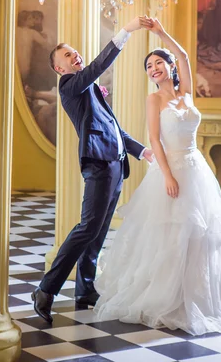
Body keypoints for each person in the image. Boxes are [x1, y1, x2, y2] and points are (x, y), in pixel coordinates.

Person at [95, 16, 221, 335]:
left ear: (169, 67)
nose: (154, 69)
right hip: (171, 170)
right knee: (169, 235)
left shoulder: (186, 92)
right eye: (149, 66)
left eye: (158, 62)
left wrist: (162, 33)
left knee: (200, 236)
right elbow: (153, 139)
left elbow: (185, 57)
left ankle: (197, 294)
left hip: (196, 170)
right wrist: (166, 175)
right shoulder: (154, 99)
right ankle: (167, 295)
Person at [31, 16, 153, 324]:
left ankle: (85, 289)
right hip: (98, 165)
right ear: (60, 69)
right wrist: (126, 31)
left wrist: (141, 151)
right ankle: (45, 290)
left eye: (74, 52)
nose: (75, 56)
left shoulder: (90, 89)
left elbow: (114, 128)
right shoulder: (70, 86)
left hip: (116, 164)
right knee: (87, 227)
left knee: (97, 232)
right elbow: (98, 66)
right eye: (68, 56)